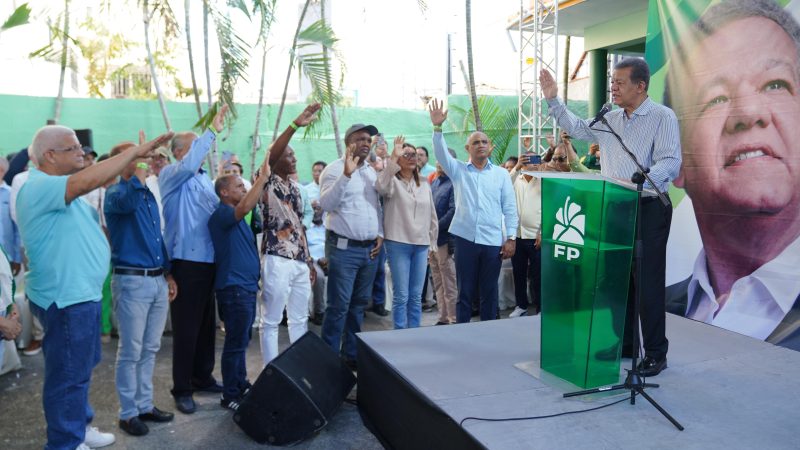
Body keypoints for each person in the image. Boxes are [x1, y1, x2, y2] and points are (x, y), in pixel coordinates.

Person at [17, 124, 172, 450]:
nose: (82, 152)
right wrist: (136, 155)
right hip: (65, 297)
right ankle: (65, 442)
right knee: (67, 376)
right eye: (73, 148)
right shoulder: (40, 185)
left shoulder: (60, 187)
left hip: (80, 295)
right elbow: (90, 180)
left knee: (79, 369)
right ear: (50, 155)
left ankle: (79, 427)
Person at [661, 0, 800, 349]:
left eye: (775, 85)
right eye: (715, 99)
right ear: (678, 160)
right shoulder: (658, 311)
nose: (749, 113)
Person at [540, 57, 681, 377]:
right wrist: (553, 99)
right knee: (616, 278)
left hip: (648, 206)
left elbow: (670, 161)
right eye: (612, 82)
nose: (613, 87)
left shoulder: (662, 116)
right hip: (615, 207)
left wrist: (639, 180)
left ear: (640, 86)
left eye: (619, 82)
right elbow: (578, 129)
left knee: (647, 282)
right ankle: (626, 344)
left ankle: (655, 352)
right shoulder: (609, 118)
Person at [104, 140, 177, 436]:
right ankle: (127, 413)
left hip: (156, 279)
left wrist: (168, 275)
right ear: (123, 162)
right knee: (131, 350)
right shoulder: (115, 193)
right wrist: (141, 167)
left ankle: (144, 405)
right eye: (138, 157)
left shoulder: (146, 194)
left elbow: (156, 238)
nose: (145, 160)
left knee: (150, 348)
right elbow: (128, 203)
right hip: (132, 280)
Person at [159, 104, 229, 414]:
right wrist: (212, 130)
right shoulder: (172, 175)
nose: (201, 150)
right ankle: (182, 388)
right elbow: (190, 164)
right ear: (179, 153)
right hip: (186, 263)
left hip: (209, 262)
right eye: (194, 145)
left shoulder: (203, 179)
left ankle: (202, 376)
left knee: (205, 326)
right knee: (186, 329)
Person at [428, 99, 519, 323]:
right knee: (465, 292)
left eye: (484, 141)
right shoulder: (458, 170)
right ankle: (463, 333)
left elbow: (509, 207)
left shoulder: (501, 174)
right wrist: (437, 128)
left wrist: (511, 238)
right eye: (475, 142)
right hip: (465, 238)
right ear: (467, 149)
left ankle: (488, 334)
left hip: (492, 240)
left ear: (490, 147)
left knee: (489, 293)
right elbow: (441, 154)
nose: (480, 145)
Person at [208, 146, 271, 410]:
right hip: (234, 288)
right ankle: (230, 394)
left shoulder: (237, 220)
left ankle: (241, 383)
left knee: (241, 341)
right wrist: (262, 179)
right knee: (235, 343)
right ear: (224, 192)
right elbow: (246, 206)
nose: (244, 189)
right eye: (238, 186)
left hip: (244, 287)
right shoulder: (222, 215)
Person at [258, 104, 320, 365]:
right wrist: (295, 125)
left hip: (299, 260)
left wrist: (308, 261)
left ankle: (299, 369)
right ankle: (270, 371)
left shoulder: (295, 187)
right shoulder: (266, 179)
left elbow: (299, 226)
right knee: (271, 320)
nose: (294, 159)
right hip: (276, 257)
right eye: (289, 155)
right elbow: (272, 152)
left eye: (294, 155)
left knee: (299, 319)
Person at [319, 123, 384, 369]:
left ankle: (351, 356)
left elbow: (375, 207)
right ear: (349, 143)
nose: (366, 143)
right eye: (360, 139)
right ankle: (327, 362)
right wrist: (346, 175)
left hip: (370, 250)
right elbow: (326, 204)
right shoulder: (334, 170)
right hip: (343, 250)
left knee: (358, 306)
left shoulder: (370, 171)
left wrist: (380, 233)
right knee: (338, 307)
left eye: (368, 139)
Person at [376, 136, 438, 329]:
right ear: (398, 158)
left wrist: (432, 243)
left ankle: (414, 333)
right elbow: (380, 186)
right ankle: (400, 334)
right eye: (406, 154)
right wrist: (393, 157)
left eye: (414, 154)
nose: (412, 157)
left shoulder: (425, 183)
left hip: (421, 244)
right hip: (398, 242)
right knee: (401, 295)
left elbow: (432, 215)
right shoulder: (391, 182)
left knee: (416, 295)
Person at [508, 152, 544, 318]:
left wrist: (542, 232)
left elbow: (548, 207)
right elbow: (505, 183)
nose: (535, 163)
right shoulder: (516, 179)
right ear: (523, 162)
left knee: (538, 275)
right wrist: (516, 167)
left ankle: (540, 308)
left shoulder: (544, 181)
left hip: (536, 237)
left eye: (537, 160)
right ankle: (521, 306)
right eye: (530, 160)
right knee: (518, 273)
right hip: (517, 236)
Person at [429, 152, 457, 325]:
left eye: (443, 160)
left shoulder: (455, 183)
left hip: (445, 240)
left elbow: (453, 211)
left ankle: (453, 318)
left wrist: (434, 227)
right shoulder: (434, 182)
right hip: (432, 240)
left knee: (449, 281)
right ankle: (443, 317)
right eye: (438, 160)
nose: (439, 164)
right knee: (438, 281)